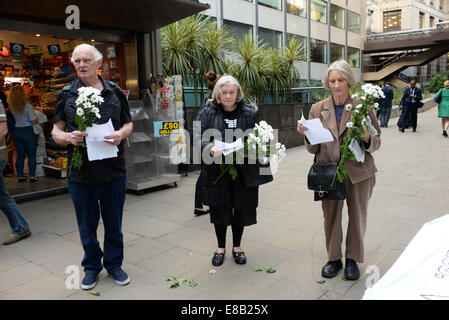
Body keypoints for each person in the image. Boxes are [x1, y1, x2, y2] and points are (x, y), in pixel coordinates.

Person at [51, 44, 133, 290]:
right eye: (77, 61)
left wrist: (120, 134)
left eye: (86, 60)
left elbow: (129, 124)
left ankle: (114, 265)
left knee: (113, 223)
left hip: (113, 170)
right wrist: (67, 138)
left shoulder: (115, 91)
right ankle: (91, 267)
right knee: (86, 224)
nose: (81, 65)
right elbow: (56, 130)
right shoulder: (67, 93)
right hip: (81, 173)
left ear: (100, 64)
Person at [297, 60, 381, 281]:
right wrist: (307, 134)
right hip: (328, 172)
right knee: (331, 217)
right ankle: (334, 259)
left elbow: (377, 142)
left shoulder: (363, 105)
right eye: (332, 80)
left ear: (349, 81)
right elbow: (313, 148)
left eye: (340, 80)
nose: (336, 85)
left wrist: (368, 137)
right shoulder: (317, 109)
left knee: (357, 216)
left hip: (359, 173)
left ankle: (352, 259)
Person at [198, 75, 259, 266]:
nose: (228, 96)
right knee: (219, 208)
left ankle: (237, 247)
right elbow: (198, 137)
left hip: (241, 171)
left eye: (231, 92)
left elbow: (258, 137)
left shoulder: (249, 113)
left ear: (238, 93)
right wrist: (209, 149)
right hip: (217, 171)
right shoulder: (208, 112)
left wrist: (252, 150)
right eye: (224, 92)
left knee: (241, 208)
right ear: (218, 94)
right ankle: (220, 247)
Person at [0, 99, 32, 245]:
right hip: (25, 131)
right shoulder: (25, 106)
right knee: (2, 196)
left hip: (17, 134)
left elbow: (3, 130)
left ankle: (21, 227)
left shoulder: (6, 104)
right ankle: (21, 227)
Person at [194, 71, 221, 216]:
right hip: (208, 144)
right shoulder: (210, 103)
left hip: (207, 143)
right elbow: (198, 125)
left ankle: (201, 204)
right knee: (205, 173)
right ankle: (199, 204)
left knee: (205, 173)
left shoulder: (209, 101)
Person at [7, 85, 38, 182]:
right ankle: (32, 176)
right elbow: (33, 120)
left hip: (17, 131)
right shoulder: (27, 106)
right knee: (31, 155)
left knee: (20, 155)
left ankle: (20, 176)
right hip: (28, 131)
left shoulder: (12, 106)